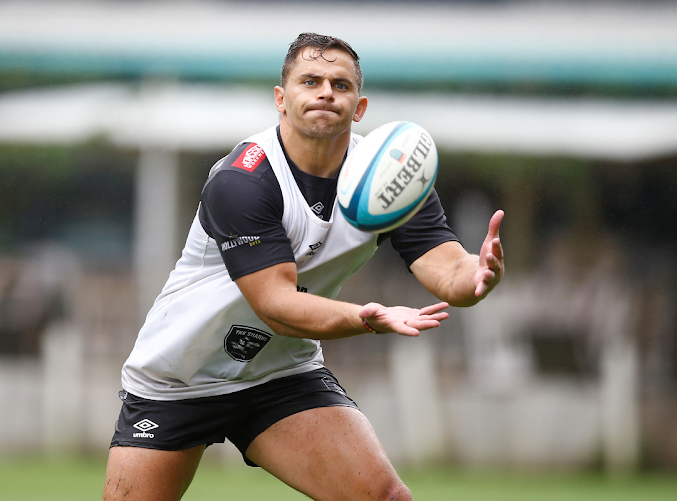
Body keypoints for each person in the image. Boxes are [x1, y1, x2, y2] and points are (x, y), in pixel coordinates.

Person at [103, 32, 504, 501]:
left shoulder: (388, 176)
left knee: (386, 498)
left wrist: (475, 277)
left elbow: (446, 267)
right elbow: (276, 305)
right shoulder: (243, 179)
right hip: (179, 376)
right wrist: (365, 318)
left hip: (281, 374)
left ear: (360, 107)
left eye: (341, 84)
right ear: (281, 99)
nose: (326, 92)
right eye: (310, 81)